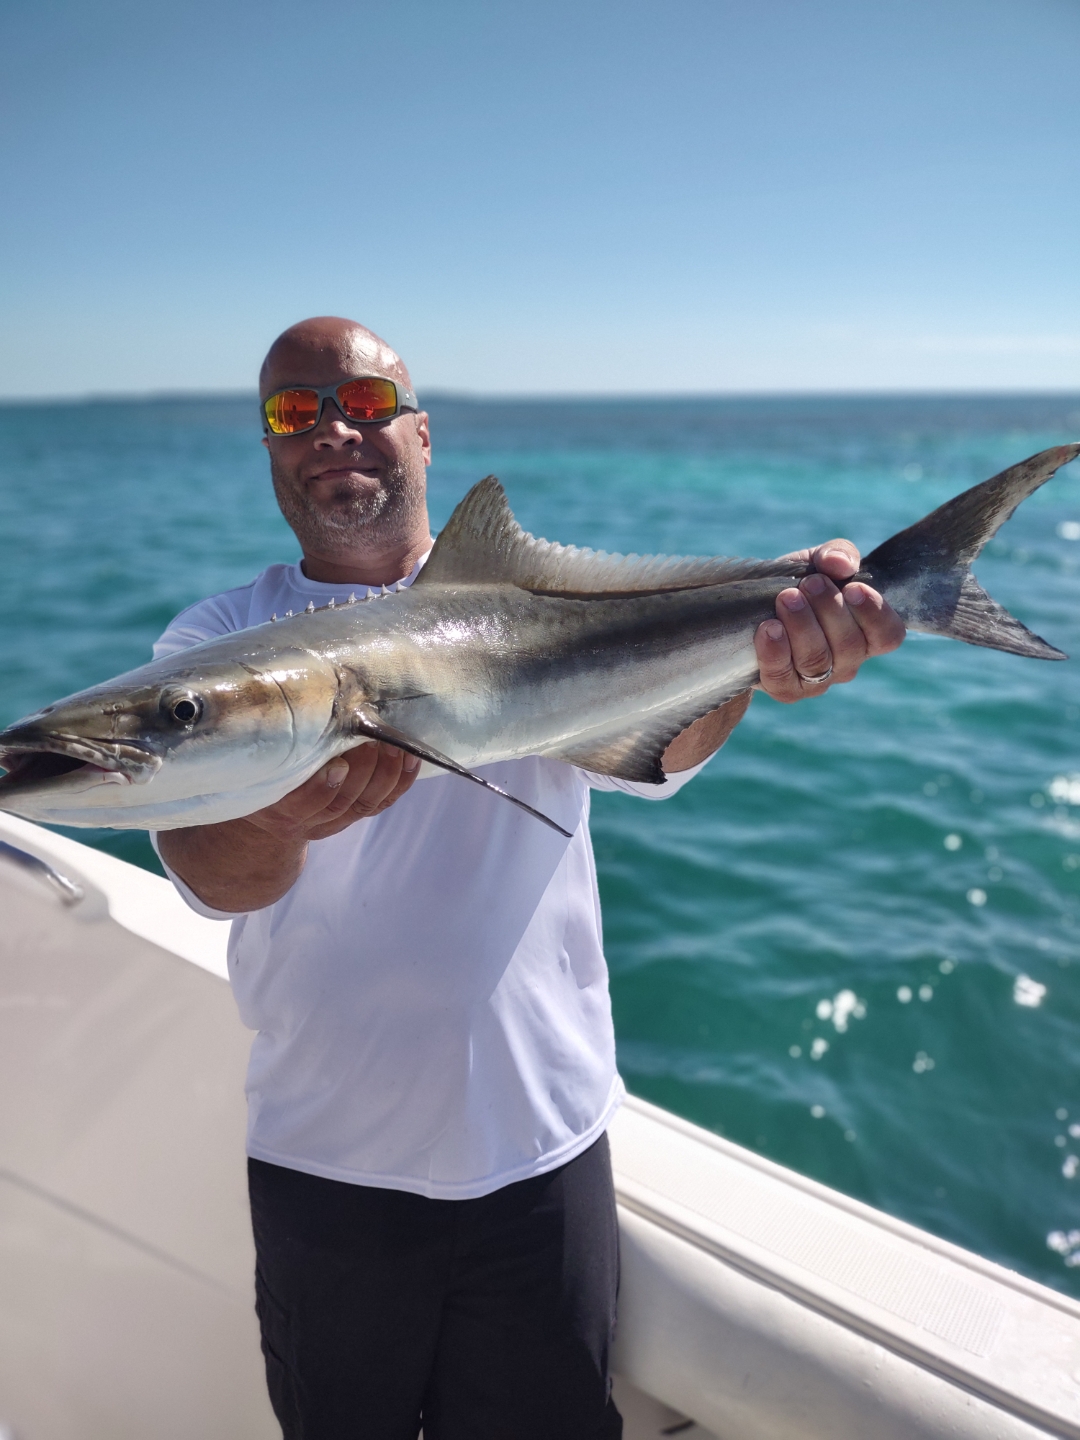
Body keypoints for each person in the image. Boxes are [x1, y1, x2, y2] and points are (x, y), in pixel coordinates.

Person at [154, 317, 905, 1440]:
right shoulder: (217, 647)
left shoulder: (533, 610)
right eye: (294, 411)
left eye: (365, 403)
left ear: (420, 432)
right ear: (269, 446)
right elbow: (211, 869)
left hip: (541, 1152)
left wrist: (764, 659)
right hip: (327, 1163)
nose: (333, 431)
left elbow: (657, 751)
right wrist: (281, 815)